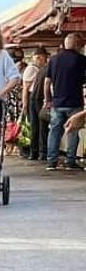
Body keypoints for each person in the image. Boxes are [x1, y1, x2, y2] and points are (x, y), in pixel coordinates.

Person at [44, 33, 86, 170]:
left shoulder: (53, 60)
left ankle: (51, 161)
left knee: (54, 131)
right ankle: (70, 161)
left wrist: (48, 100)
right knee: (73, 132)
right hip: (75, 102)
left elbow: (47, 82)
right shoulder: (81, 60)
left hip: (57, 102)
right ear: (76, 44)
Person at [22, 47, 50, 161]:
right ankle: (36, 152)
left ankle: (37, 152)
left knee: (39, 126)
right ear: (38, 57)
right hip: (34, 98)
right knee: (37, 126)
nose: (45, 60)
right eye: (44, 57)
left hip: (36, 98)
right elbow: (26, 87)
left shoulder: (40, 69)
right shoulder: (31, 69)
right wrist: (25, 103)